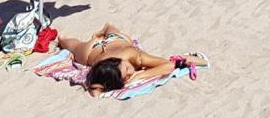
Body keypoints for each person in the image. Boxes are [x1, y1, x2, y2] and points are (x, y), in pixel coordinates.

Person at [55, 23, 206, 96]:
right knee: (69, 45)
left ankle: (104, 29)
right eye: (126, 74)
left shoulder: (132, 55)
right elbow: (94, 92)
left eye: (126, 69)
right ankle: (63, 38)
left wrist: (140, 75)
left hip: (116, 41)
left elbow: (168, 65)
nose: (130, 73)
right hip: (91, 52)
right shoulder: (102, 72)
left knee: (111, 29)